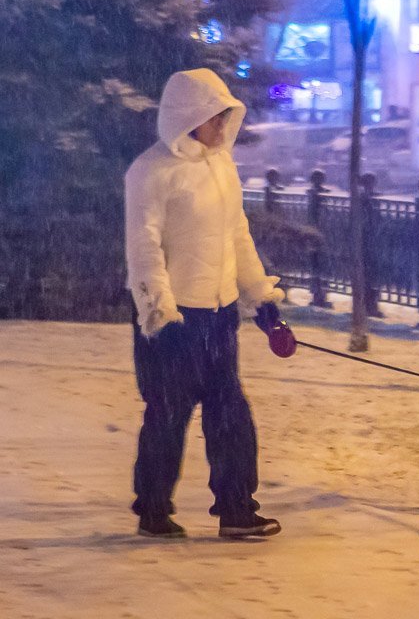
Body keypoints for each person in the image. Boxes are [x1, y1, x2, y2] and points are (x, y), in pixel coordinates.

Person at [125, 68, 285, 540]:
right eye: (215, 117)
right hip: (176, 319)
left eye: (225, 117)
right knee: (167, 415)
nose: (222, 127)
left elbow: (237, 236)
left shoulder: (222, 167)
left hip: (220, 315)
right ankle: (153, 510)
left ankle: (236, 509)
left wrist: (260, 297)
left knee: (230, 412)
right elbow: (144, 248)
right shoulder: (151, 172)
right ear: (188, 116)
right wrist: (161, 316)